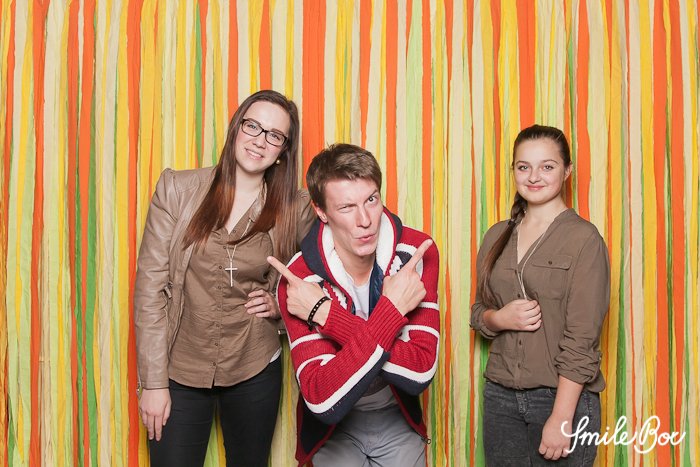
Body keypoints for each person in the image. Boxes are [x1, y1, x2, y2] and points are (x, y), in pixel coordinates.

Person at [134, 90, 316, 467]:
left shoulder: (295, 208)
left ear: (283, 150)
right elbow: (150, 289)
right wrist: (153, 383)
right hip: (179, 367)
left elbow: (327, 275)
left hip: (254, 364)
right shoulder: (176, 190)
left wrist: (280, 306)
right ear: (236, 128)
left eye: (274, 135)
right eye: (253, 126)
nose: (259, 140)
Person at [267, 143, 440, 467]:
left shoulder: (415, 252)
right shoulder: (300, 279)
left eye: (371, 200)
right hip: (334, 431)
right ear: (321, 212)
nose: (365, 220)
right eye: (347, 207)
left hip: (397, 417)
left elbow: (420, 370)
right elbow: (322, 397)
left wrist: (325, 314)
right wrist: (392, 314)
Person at [470, 124, 610, 466]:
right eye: (524, 167)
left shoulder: (584, 239)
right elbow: (478, 312)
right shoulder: (496, 235)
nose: (534, 177)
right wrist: (498, 318)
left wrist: (562, 417)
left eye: (547, 166)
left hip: (561, 400)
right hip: (500, 398)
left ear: (567, 171)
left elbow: (582, 339)